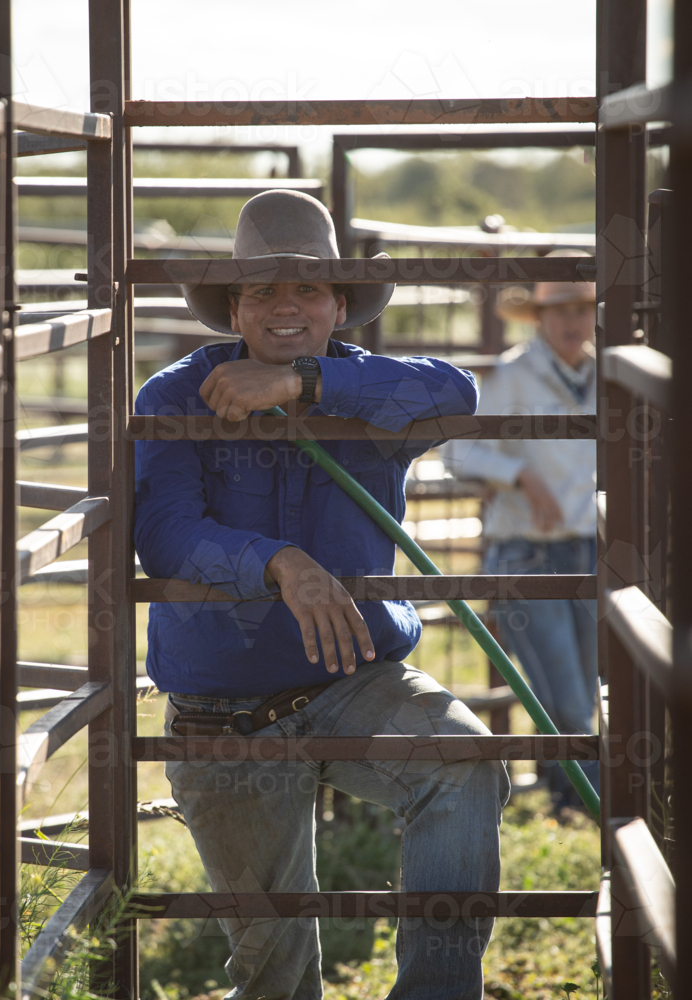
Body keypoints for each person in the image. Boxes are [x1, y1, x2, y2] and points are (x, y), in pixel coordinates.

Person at [134, 189, 510, 1000]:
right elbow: (163, 533)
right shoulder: (173, 395)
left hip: (357, 681)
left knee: (467, 767)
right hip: (223, 706)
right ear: (233, 306)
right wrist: (279, 563)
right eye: (263, 290)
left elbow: (459, 396)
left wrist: (302, 385)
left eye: (307, 288)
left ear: (341, 303)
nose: (286, 306)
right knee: (279, 977)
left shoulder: (367, 384)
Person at [443, 253, 598, 810]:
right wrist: (521, 475)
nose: (571, 321)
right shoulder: (513, 376)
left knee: (581, 689)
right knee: (567, 694)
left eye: (581, 307)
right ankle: (591, 810)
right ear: (539, 316)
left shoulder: (602, 376)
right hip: (526, 553)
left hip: (587, 548)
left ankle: (570, 802)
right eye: (560, 309)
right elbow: (458, 451)